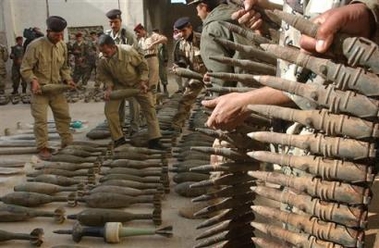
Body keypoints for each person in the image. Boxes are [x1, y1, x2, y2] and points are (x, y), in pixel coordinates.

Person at [201, 0, 379, 130]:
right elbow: (297, 44)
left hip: (334, 136)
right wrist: (269, 21)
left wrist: (248, 102)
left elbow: (330, 70)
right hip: (293, 134)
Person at [96, 34, 166, 150]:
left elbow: (143, 65)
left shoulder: (128, 51)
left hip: (137, 84)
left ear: (113, 47)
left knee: (149, 109)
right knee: (110, 111)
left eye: (106, 52)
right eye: (102, 52)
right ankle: (118, 139)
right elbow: (104, 74)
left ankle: (155, 139)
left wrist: (143, 81)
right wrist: (109, 87)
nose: (104, 55)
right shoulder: (102, 58)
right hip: (119, 86)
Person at [20, 16, 76, 160]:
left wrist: (68, 79)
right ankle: (43, 147)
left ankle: (67, 142)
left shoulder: (62, 45)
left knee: (64, 116)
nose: (59, 37)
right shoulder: (35, 46)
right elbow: (26, 68)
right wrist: (33, 81)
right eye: (56, 34)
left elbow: (64, 67)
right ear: (48, 31)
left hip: (56, 89)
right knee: (41, 120)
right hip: (40, 91)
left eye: (61, 34)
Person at [188, 0, 251, 87]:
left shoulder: (210, 30)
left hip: (241, 94)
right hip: (261, 88)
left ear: (204, 7)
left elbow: (221, 77)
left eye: (197, 10)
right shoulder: (244, 17)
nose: (197, 14)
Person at [105, 9, 140, 136]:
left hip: (129, 75)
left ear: (120, 21)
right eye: (111, 22)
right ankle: (120, 124)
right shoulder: (107, 36)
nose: (113, 25)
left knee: (132, 102)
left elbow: (137, 55)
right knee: (117, 101)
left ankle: (134, 126)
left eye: (115, 22)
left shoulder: (128, 35)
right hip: (115, 76)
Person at [170, 16, 207, 132]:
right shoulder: (181, 44)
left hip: (210, 76)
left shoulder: (203, 40)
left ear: (190, 28)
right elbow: (182, 60)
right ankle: (177, 125)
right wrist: (179, 66)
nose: (181, 34)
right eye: (179, 31)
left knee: (214, 101)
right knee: (185, 99)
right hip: (195, 76)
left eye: (184, 31)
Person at [134, 23, 168, 102]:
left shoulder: (152, 36)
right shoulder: (140, 40)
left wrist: (153, 44)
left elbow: (164, 39)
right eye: (136, 32)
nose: (137, 34)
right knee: (144, 82)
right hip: (143, 61)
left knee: (153, 82)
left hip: (152, 58)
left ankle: (153, 101)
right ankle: (148, 101)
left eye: (138, 32)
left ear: (143, 30)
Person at [152, 28, 169, 94]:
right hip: (154, 60)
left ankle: (165, 89)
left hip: (161, 60)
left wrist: (166, 60)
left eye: (155, 33)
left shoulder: (162, 42)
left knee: (163, 74)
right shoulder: (152, 41)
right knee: (156, 75)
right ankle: (158, 89)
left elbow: (165, 51)